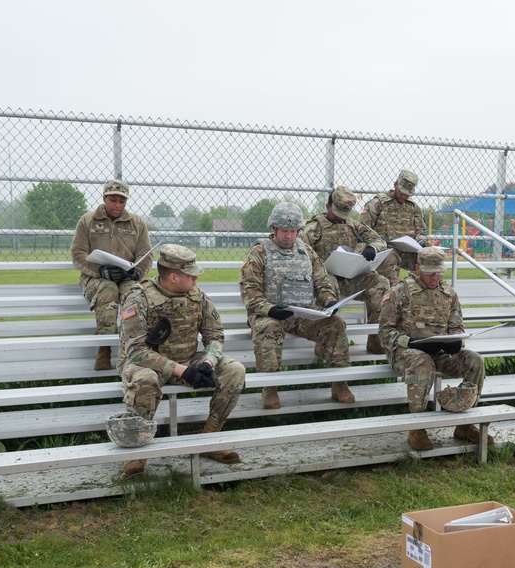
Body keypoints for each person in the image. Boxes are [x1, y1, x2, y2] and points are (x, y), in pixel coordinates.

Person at [117, 244, 245, 476]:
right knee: (145, 381)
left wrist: (208, 362)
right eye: (191, 274)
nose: (196, 278)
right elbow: (136, 351)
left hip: (187, 359)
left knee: (234, 370)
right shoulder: (138, 297)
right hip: (146, 364)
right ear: (174, 277)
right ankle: (136, 453)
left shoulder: (197, 296)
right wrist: (183, 372)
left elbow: (214, 335)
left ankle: (210, 439)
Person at [240, 202, 355, 410]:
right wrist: (269, 309)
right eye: (285, 231)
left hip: (303, 314)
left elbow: (322, 282)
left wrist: (329, 300)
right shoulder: (259, 253)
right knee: (269, 328)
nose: (289, 236)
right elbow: (250, 292)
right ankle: (269, 388)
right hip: (271, 313)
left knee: (335, 323)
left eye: (293, 231)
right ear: (273, 229)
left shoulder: (306, 252)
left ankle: (340, 383)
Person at [378, 246, 490, 452]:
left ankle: (465, 425)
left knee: (475, 360)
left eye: (439, 272)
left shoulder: (448, 293)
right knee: (422, 362)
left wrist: (456, 341)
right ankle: (416, 427)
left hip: (439, 352)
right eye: (430, 272)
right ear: (418, 268)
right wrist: (409, 342)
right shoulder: (399, 292)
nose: (435, 277)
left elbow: (456, 326)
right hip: (405, 352)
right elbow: (385, 332)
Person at [70, 179, 153, 370]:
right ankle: (104, 349)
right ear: (104, 198)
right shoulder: (88, 221)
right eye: (113, 200)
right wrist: (100, 270)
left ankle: (133, 350)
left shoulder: (136, 223)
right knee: (108, 292)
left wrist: (137, 272)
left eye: (122, 201)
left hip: (126, 277)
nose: (117, 205)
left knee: (135, 295)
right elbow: (78, 253)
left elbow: (146, 253)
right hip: (96, 277)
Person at [301, 186, 391, 355]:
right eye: (337, 213)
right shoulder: (314, 228)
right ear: (328, 207)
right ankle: (325, 342)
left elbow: (379, 241)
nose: (341, 218)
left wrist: (372, 247)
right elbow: (301, 252)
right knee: (327, 285)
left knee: (381, 283)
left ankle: (376, 340)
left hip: (352, 276)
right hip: (326, 277)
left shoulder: (354, 225)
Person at [360, 169, 430, 285]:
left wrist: (422, 241)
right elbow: (363, 229)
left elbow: (421, 231)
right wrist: (377, 240)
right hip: (385, 250)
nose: (404, 196)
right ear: (395, 185)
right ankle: (392, 295)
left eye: (407, 194)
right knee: (391, 260)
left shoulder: (413, 207)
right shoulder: (378, 204)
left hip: (408, 251)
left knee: (429, 259)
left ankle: (419, 295)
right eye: (402, 192)